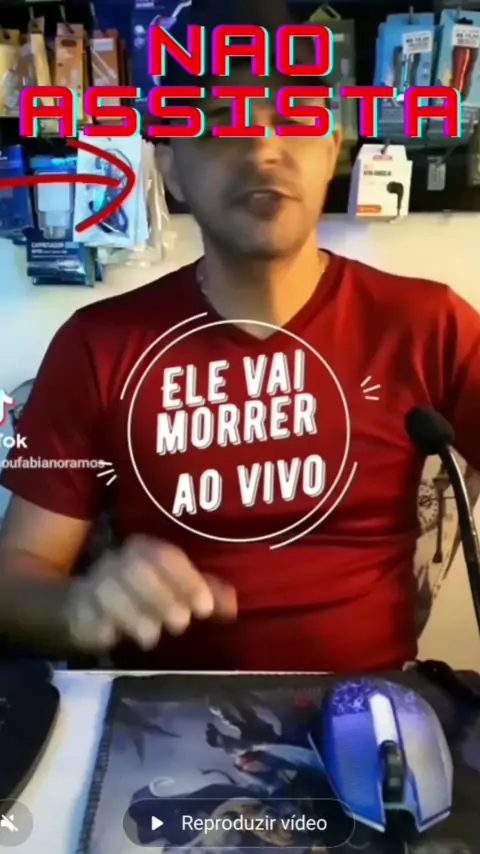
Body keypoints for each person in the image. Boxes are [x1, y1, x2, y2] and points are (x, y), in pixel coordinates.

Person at [1, 0, 480, 673]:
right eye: (221, 120)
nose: (261, 149)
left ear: (331, 150)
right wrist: (76, 606)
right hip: (157, 714)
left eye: (295, 118)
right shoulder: (96, 346)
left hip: (369, 713)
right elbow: (17, 574)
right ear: (170, 168)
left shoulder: (428, 324)